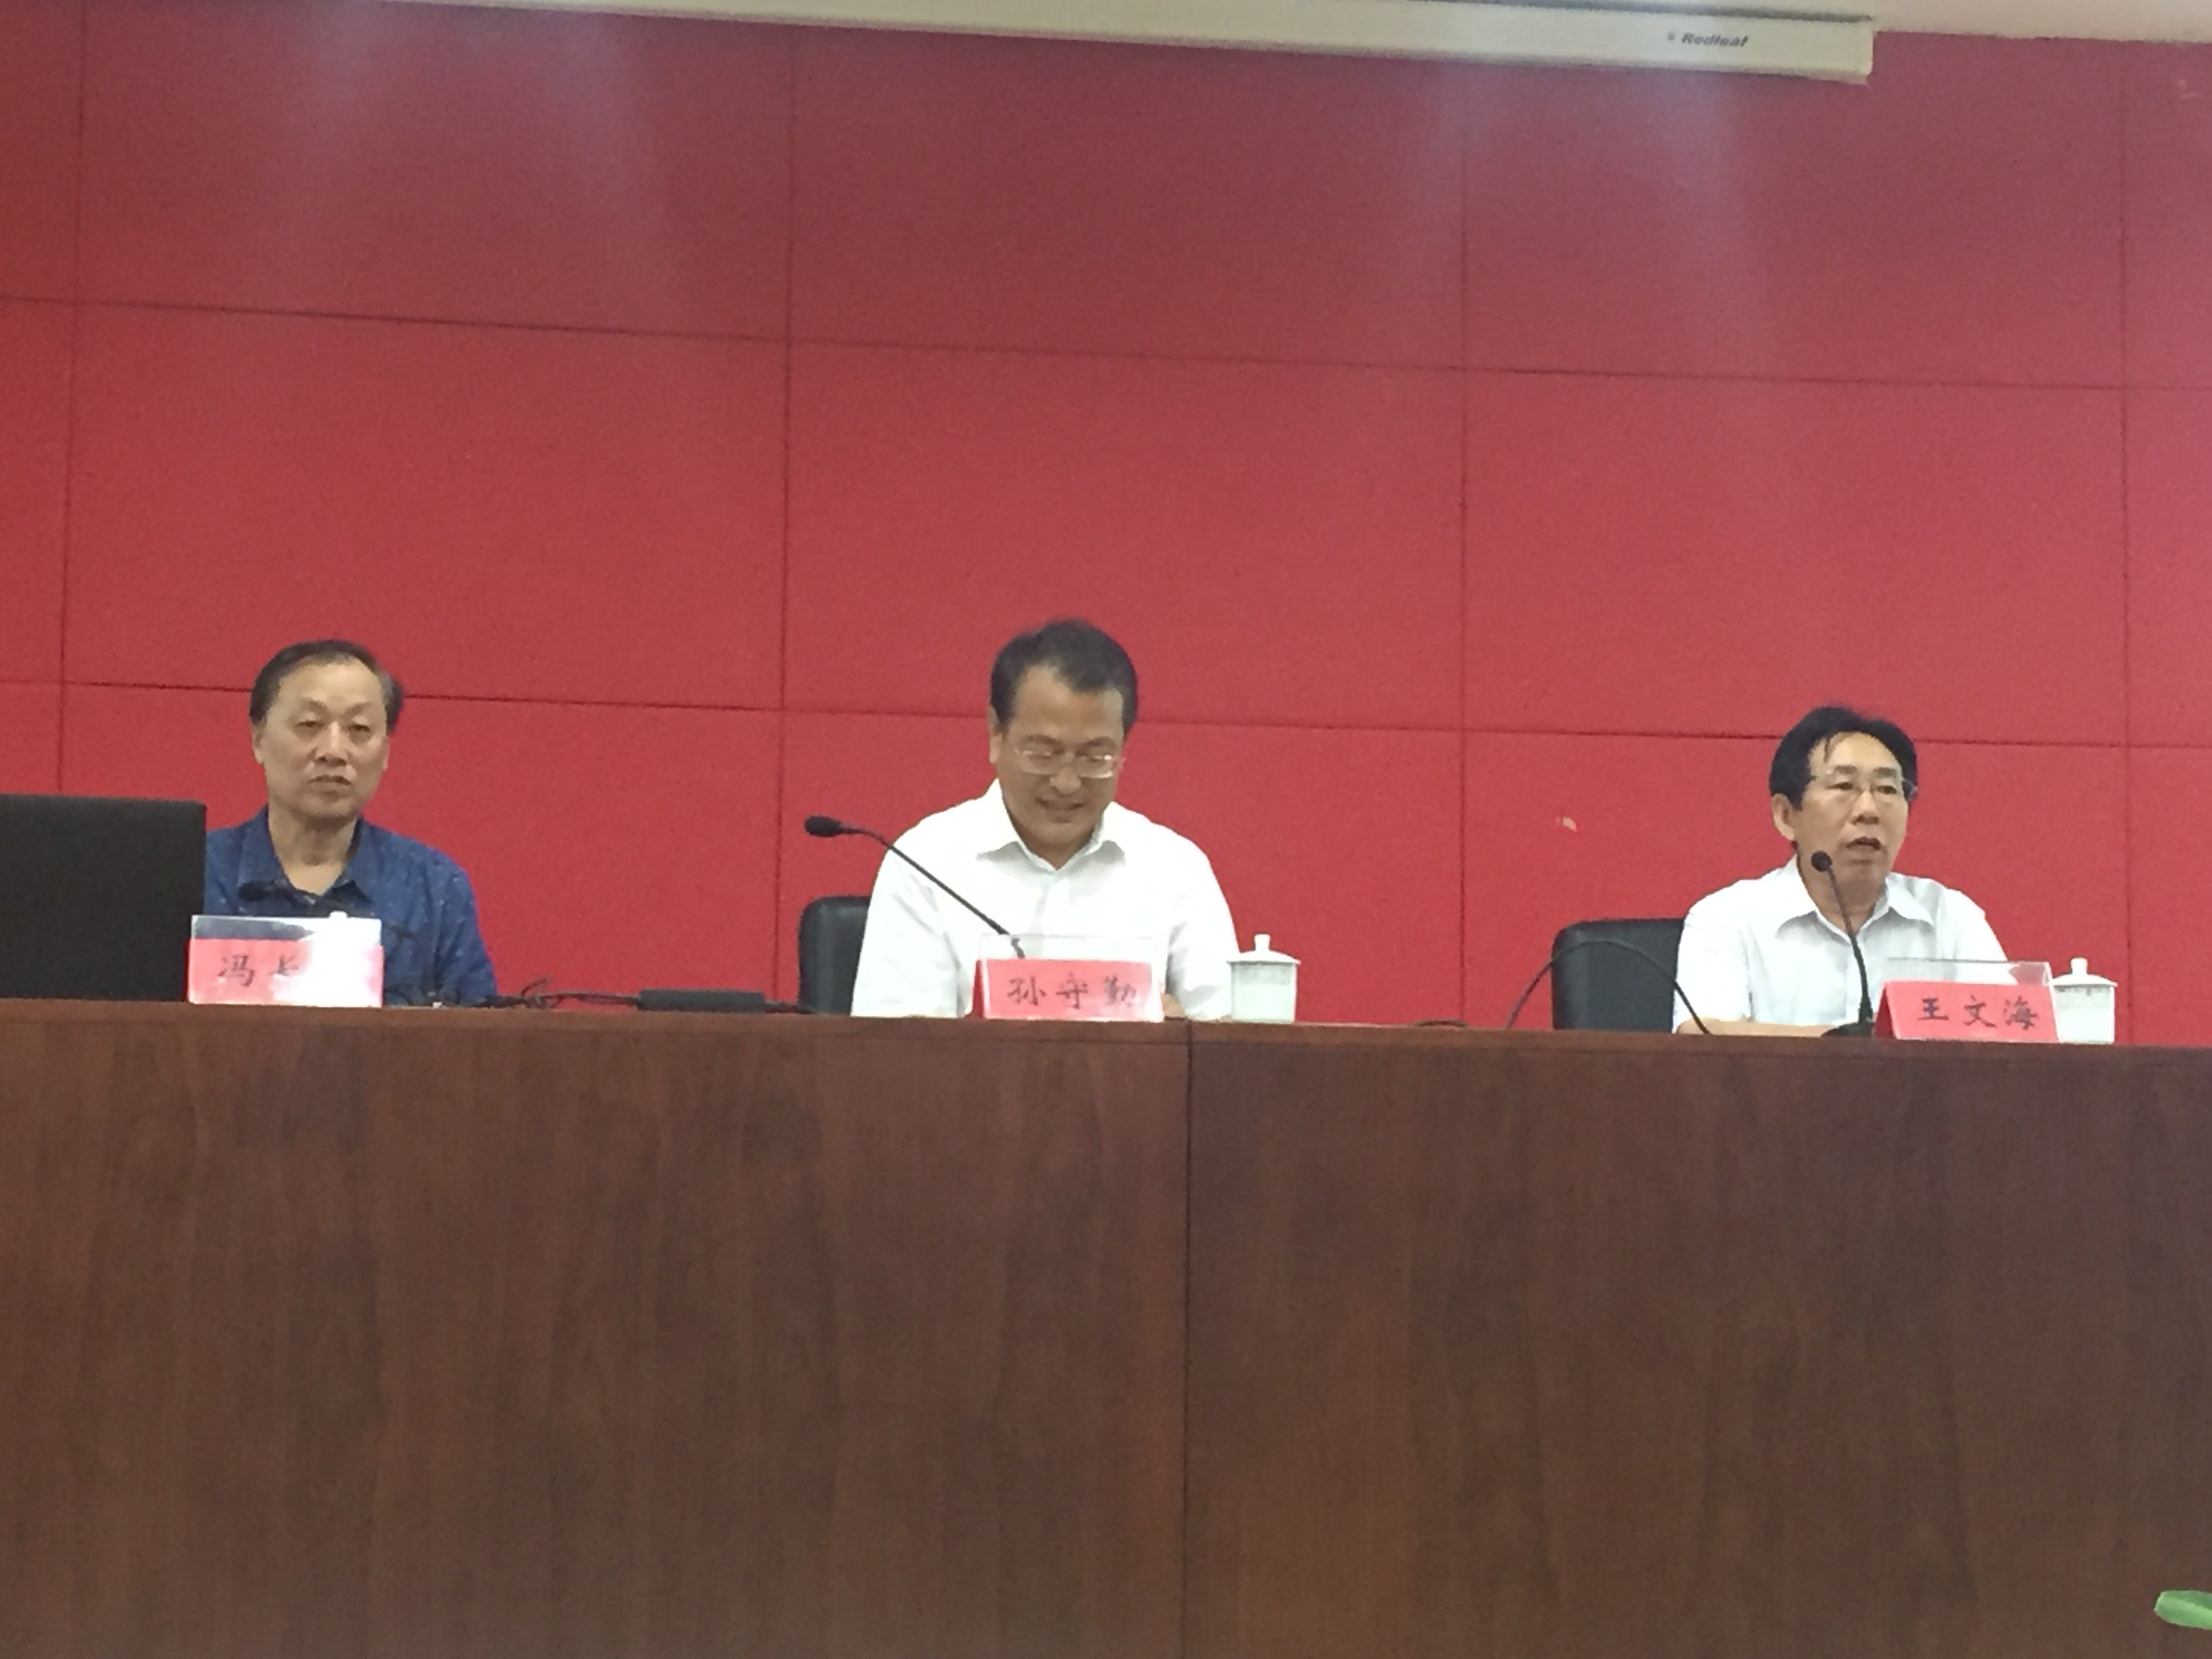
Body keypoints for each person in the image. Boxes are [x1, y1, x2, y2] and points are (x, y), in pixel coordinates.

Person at [849, 619, 1239, 1018]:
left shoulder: (1175, 868)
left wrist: (1182, 1036)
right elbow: (896, 1045)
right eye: (1043, 753)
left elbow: (1229, 1035)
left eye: (1095, 757)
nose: (1067, 783)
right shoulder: (926, 863)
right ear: (996, 733)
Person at [1673, 704, 2004, 1036]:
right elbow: (1704, 1035)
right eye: (1844, 786)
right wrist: (1847, 1044)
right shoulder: (1729, 918)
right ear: (1786, 816)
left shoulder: (1950, 917)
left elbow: (2006, 1034)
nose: (1869, 810)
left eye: (1888, 789)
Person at [202, 639, 497, 1006]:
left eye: (359, 730)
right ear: (258, 739)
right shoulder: (194, 874)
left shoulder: (433, 888)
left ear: (385, 751)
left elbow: (480, 1032)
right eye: (310, 724)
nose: (333, 751)